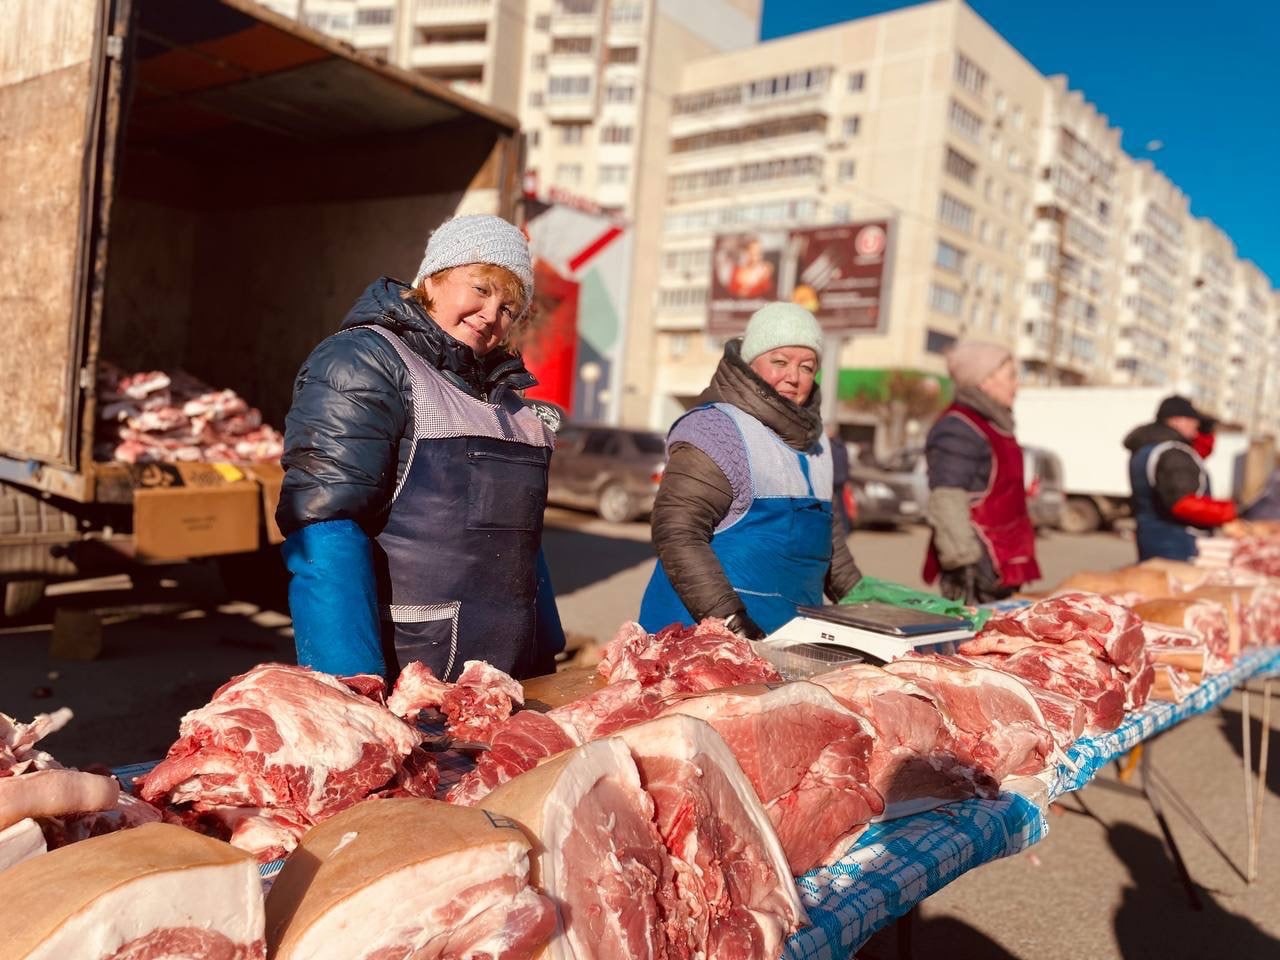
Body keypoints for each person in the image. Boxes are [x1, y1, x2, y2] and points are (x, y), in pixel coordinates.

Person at [276, 214, 563, 682]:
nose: (492, 315)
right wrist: (354, 688)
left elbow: (526, 545)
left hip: (504, 680)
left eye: (510, 308)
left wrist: (547, 656)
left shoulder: (508, 401)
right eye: (481, 288)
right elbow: (326, 529)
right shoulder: (365, 361)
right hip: (412, 675)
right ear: (433, 279)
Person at [638, 302, 862, 639]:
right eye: (780, 362)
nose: (793, 376)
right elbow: (677, 530)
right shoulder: (717, 429)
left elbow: (829, 548)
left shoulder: (818, 444)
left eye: (807, 366)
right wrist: (731, 621)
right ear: (751, 361)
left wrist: (868, 605)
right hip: (697, 637)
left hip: (786, 638)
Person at [923, 340, 1040, 604]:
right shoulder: (959, 427)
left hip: (1002, 560)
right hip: (978, 566)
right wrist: (965, 564)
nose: (1017, 385)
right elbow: (946, 499)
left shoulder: (993, 423)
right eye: (1011, 376)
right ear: (984, 381)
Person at [1124, 395, 1237, 561]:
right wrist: (1229, 512)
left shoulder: (1147, 449)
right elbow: (1183, 503)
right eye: (1192, 420)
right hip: (1177, 544)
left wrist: (1207, 433)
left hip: (1150, 538)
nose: (1196, 425)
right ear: (1176, 421)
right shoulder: (1173, 452)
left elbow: (1195, 458)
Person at [829, 424, 853, 535]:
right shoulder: (842, 445)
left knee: (834, 506)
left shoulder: (830, 446)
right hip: (840, 479)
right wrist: (847, 479)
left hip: (833, 480)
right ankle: (844, 528)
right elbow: (847, 464)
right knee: (841, 506)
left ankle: (840, 529)